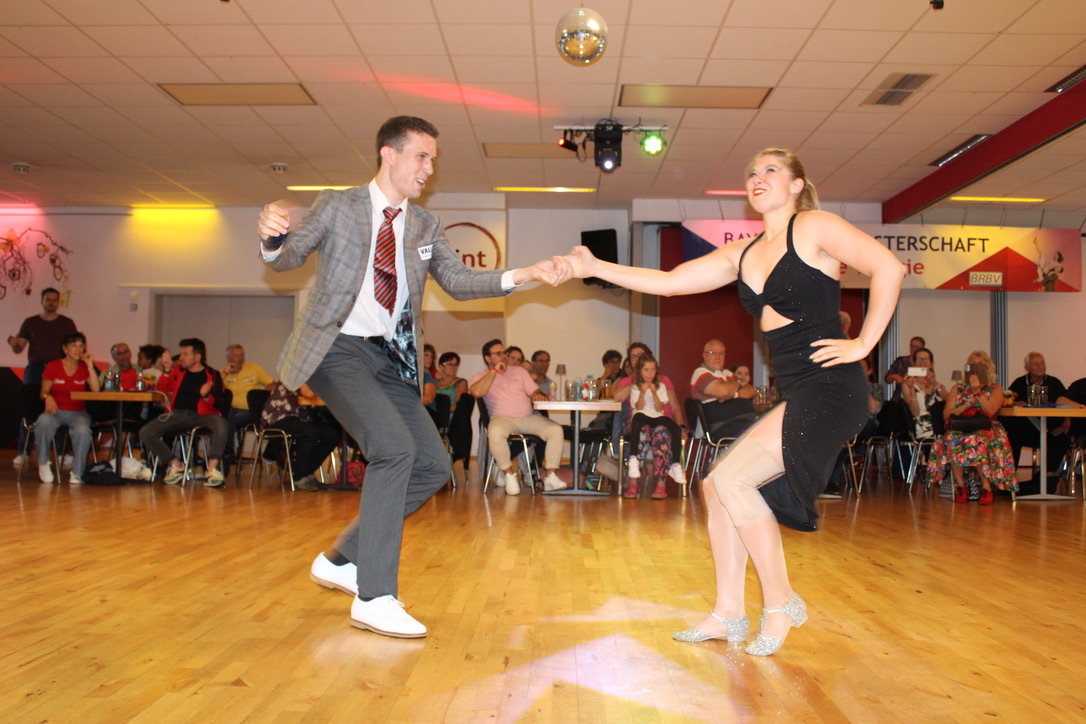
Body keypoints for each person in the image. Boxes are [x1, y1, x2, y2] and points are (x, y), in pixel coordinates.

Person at [557, 147, 904, 656]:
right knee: (714, 487)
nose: (758, 178)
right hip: (800, 390)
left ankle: (781, 602)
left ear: (796, 185)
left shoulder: (813, 227)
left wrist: (864, 343)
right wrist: (595, 265)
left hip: (832, 385)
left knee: (732, 481)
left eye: (771, 171)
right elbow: (669, 284)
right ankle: (728, 613)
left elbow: (889, 267)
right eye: (752, 172)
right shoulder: (742, 254)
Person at [257, 116, 561, 639]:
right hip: (336, 348)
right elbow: (288, 257)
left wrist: (524, 274)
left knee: (432, 465)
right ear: (389, 154)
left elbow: (459, 281)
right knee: (394, 450)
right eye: (421, 156)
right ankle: (374, 596)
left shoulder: (424, 225)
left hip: (388, 359)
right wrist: (271, 238)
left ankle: (342, 560)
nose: (428, 168)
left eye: (433, 159)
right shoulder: (339, 206)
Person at [469, 339, 568, 495]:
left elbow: (534, 391)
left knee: (555, 430)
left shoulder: (519, 372)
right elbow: (476, 392)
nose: (504, 356)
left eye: (504, 352)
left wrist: (536, 395)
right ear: (487, 358)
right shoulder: (480, 376)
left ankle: (550, 476)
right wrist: (494, 371)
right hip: (502, 419)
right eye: (498, 353)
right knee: (495, 433)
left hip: (528, 418)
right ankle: (509, 475)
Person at [926, 351, 1017, 504]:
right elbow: (947, 414)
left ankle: (986, 487)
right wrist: (964, 407)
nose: (976, 368)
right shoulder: (958, 388)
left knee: (979, 439)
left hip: (986, 426)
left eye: (980, 364)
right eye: (973, 364)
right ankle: (961, 486)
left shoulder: (995, 388)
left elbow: (990, 411)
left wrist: (977, 392)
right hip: (962, 425)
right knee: (952, 438)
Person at [139, 338, 229, 487]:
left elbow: (219, 401)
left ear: (197, 357)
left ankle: (212, 470)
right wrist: (166, 370)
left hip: (203, 414)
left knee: (221, 423)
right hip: (178, 414)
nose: (181, 358)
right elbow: (161, 390)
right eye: (181, 354)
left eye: (186, 354)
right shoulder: (177, 371)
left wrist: (206, 395)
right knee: (146, 432)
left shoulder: (212, 374)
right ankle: (175, 464)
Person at [10, 287, 78, 467]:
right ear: (42, 301)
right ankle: (23, 452)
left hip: (60, 370)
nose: (51, 303)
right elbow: (18, 348)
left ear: (58, 302)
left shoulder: (67, 323)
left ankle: (63, 452)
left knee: (62, 408)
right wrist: (14, 344)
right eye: (48, 299)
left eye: (54, 299)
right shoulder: (30, 322)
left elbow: (74, 347)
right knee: (30, 409)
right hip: (35, 370)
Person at [35, 331, 100, 484]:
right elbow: (43, 392)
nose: (78, 349)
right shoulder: (53, 366)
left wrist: (90, 365)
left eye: (81, 346)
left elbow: (96, 389)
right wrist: (48, 397)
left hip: (78, 412)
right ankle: (43, 463)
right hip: (55, 410)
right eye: (74, 346)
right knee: (43, 422)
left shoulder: (84, 368)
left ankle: (77, 472)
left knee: (83, 430)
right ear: (65, 349)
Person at [625, 354, 687, 500]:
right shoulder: (635, 386)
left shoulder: (661, 386)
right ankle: (633, 463)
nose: (650, 373)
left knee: (672, 430)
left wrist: (653, 392)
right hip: (642, 416)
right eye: (646, 370)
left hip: (656, 417)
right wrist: (642, 392)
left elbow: (660, 409)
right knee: (639, 424)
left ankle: (675, 466)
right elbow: (639, 407)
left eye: (652, 370)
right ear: (640, 371)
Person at [259, 382, 340, 492]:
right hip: (278, 417)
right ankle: (299, 477)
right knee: (309, 432)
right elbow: (308, 394)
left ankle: (308, 472)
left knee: (332, 434)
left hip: (302, 418)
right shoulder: (292, 378)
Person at [1005, 351, 1070, 482]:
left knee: (1064, 438)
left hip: (1051, 429)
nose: (1041, 366)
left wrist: (1065, 424)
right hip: (1027, 430)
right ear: (1027, 367)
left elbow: (1067, 404)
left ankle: (1044, 479)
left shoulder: (1054, 383)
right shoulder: (1019, 383)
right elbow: (1006, 400)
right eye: (1036, 364)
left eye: (1042, 363)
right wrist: (1016, 403)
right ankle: (1008, 480)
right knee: (1013, 436)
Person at [220, 344, 274, 469]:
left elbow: (272, 384)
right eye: (236, 355)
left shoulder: (253, 368)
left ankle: (227, 451)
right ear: (228, 358)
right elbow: (214, 389)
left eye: (242, 355)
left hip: (250, 411)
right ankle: (228, 452)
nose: (240, 358)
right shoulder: (222, 374)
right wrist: (226, 372)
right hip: (231, 410)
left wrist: (260, 397)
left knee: (227, 419)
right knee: (227, 414)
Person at [689, 339, 756, 438]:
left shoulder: (727, 373)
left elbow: (751, 391)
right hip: (717, 427)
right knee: (756, 433)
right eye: (713, 353)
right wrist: (737, 384)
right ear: (704, 355)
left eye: (721, 353)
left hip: (736, 423)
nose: (718, 357)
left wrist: (734, 394)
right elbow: (722, 391)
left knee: (761, 428)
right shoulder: (700, 372)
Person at [434, 351, 472, 485]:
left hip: (451, 420)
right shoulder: (433, 382)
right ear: (441, 366)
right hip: (435, 417)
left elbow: (459, 405)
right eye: (449, 364)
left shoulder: (461, 382)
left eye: (455, 364)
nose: (453, 367)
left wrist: (440, 412)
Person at [900, 347, 945, 442]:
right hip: (923, 427)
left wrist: (935, 383)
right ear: (914, 363)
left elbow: (948, 401)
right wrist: (912, 388)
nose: (922, 363)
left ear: (931, 364)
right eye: (919, 359)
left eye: (925, 359)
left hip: (940, 425)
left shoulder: (935, 384)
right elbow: (915, 413)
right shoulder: (907, 384)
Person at [884, 335, 925, 401]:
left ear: (922, 348)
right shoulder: (900, 361)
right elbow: (887, 379)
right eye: (912, 346)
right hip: (899, 399)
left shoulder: (925, 364)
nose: (914, 348)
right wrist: (894, 376)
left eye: (917, 347)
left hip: (919, 399)